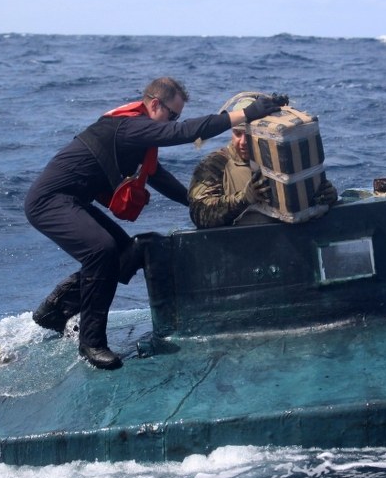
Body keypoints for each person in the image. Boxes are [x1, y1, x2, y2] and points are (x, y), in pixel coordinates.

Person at [24, 77, 285, 370]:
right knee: (101, 249)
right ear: (155, 104)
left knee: (127, 251)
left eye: (176, 117)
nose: (173, 122)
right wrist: (247, 113)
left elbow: (157, 177)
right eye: (172, 116)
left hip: (73, 201)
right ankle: (91, 342)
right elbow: (185, 132)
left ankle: (57, 311)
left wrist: (195, 203)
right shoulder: (130, 127)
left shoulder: (138, 139)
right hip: (49, 201)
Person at [188, 120, 338, 229]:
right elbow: (199, 215)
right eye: (237, 134)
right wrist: (244, 199)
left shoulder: (284, 160)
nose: (243, 142)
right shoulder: (215, 164)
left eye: (249, 135)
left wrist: (326, 197)